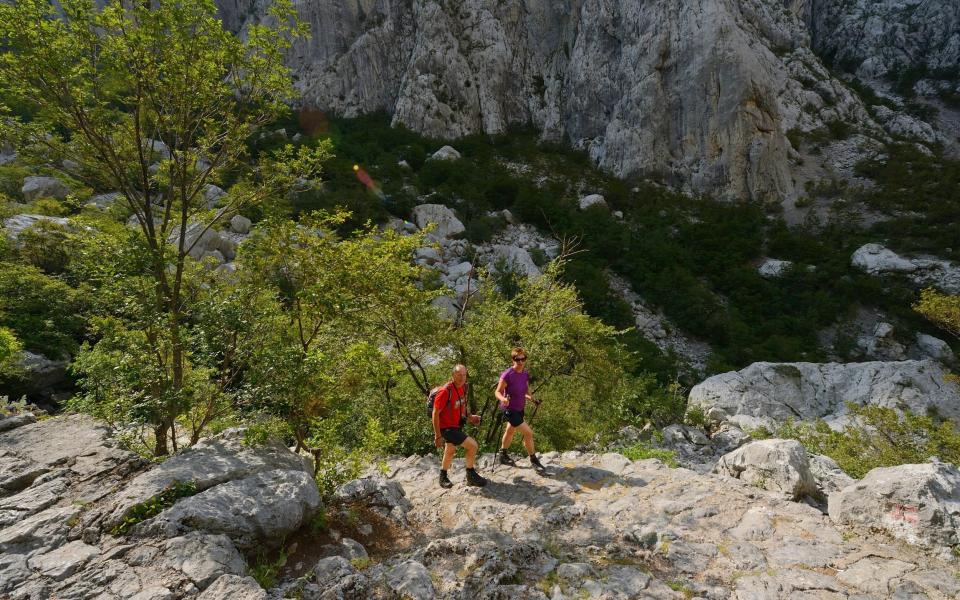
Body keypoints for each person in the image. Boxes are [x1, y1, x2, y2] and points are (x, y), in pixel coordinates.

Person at [433, 364, 487, 488]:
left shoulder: (462, 388)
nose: (462, 378)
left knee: (450, 451)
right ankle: (470, 475)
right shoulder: (445, 391)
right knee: (473, 446)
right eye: (459, 375)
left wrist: (470, 417)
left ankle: (443, 476)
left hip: (455, 425)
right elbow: (435, 413)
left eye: (464, 375)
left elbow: (461, 406)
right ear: (453, 375)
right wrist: (438, 436)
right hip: (446, 428)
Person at [495, 347, 545, 473]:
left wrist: (533, 400)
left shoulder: (525, 374)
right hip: (510, 409)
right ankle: (534, 460)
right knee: (528, 433)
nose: (521, 362)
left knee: (510, 431)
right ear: (513, 359)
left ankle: (502, 455)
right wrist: (503, 399)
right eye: (518, 359)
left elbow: (525, 393)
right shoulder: (508, 375)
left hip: (520, 408)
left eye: (523, 359)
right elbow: (497, 392)